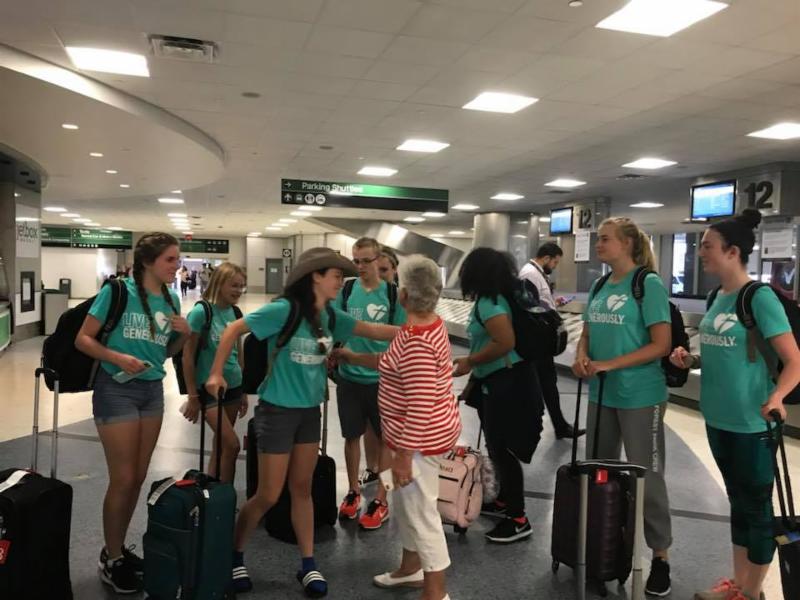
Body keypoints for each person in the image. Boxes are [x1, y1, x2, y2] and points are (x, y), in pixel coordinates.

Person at [204, 247, 400, 597]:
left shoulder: (331, 316)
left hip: (310, 412)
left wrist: (418, 329)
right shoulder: (284, 309)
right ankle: (235, 555)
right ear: (315, 277)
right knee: (267, 494)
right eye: (335, 275)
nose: (341, 281)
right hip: (277, 411)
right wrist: (216, 372)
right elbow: (234, 329)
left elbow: (372, 329)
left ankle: (308, 564)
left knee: (301, 489)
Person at [668, 209, 800, 600]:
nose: (700, 253)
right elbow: (726, 352)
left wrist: (777, 396)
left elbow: (794, 360)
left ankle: (751, 591)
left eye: (707, 246)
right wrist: (691, 359)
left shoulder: (758, 297)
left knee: (756, 510)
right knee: (738, 504)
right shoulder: (717, 296)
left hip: (752, 423)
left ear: (733, 252)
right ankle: (739, 584)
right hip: (718, 418)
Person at [335, 255, 460, 600]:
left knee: (422, 514)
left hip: (418, 442)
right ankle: (410, 568)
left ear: (404, 295)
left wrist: (403, 455)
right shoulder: (423, 326)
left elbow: (420, 404)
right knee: (408, 507)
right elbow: (390, 359)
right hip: (414, 438)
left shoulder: (418, 341)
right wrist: (354, 357)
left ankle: (436, 592)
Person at [75, 232, 190, 595]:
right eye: (170, 259)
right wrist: (117, 357)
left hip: (152, 391)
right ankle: (112, 558)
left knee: (138, 477)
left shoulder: (171, 299)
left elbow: (165, 351)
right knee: (123, 478)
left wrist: (184, 335)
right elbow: (83, 339)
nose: (177, 266)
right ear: (148, 262)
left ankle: (117, 548)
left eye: (177, 259)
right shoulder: (118, 292)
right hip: (116, 389)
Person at [572, 217, 674, 597]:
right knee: (599, 472)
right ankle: (603, 547)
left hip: (640, 396)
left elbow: (661, 344)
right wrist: (582, 357)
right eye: (597, 239)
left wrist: (610, 364)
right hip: (602, 393)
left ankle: (660, 556)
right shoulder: (599, 285)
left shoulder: (648, 285)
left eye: (605, 239)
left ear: (627, 244)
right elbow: (587, 334)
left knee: (648, 476)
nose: (598, 244)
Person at [452, 247, 543, 544]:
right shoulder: (496, 299)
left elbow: (504, 342)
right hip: (501, 382)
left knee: (504, 451)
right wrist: (472, 383)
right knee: (497, 446)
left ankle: (518, 519)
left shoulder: (490, 303)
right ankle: (504, 500)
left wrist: (470, 362)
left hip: (509, 386)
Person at [336, 238, 407, 531]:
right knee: (351, 436)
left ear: (379, 260)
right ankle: (353, 491)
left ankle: (381, 499)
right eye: (356, 261)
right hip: (349, 378)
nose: (361, 266)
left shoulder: (392, 294)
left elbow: (402, 335)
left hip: (383, 380)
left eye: (366, 261)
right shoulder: (347, 290)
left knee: (387, 442)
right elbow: (335, 326)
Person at [181, 262, 248, 483]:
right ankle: (224, 489)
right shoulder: (201, 312)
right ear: (219, 283)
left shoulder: (235, 312)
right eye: (234, 285)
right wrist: (193, 396)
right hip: (209, 389)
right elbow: (187, 356)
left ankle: (215, 493)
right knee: (232, 444)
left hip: (233, 385)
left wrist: (244, 390)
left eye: (241, 286)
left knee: (221, 445)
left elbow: (238, 352)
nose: (238, 290)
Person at [519, 242, 585, 440]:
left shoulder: (536, 274)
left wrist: (552, 304)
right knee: (544, 384)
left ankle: (560, 425)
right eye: (555, 262)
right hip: (537, 342)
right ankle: (551, 427)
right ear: (546, 258)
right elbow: (528, 308)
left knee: (548, 384)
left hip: (541, 341)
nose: (555, 266)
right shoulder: (529, 274)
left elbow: (537, 302)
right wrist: (549, 314)